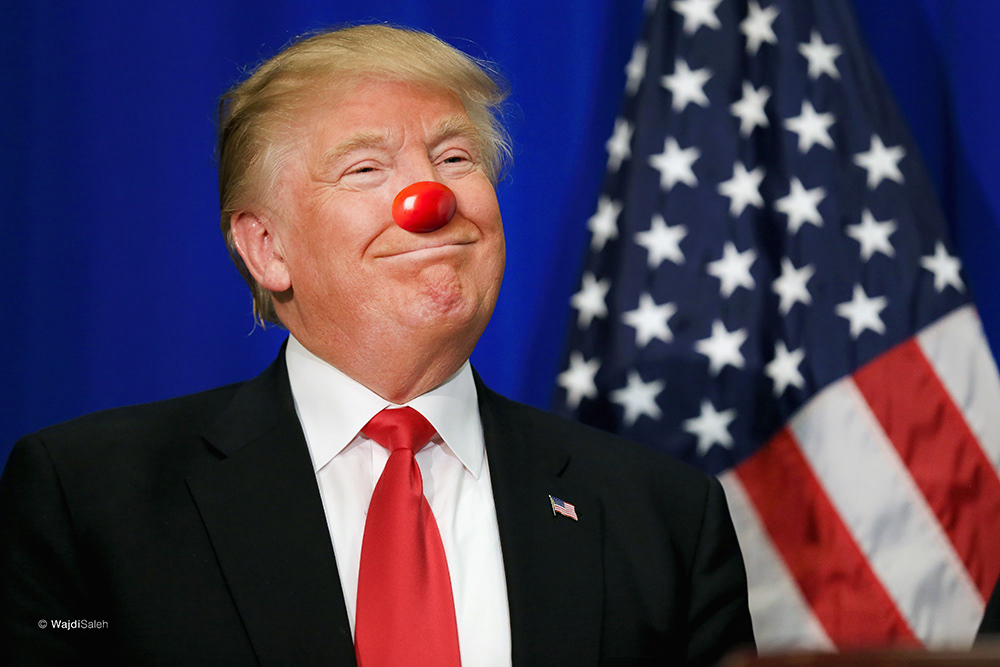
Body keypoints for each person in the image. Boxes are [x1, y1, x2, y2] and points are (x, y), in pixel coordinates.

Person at [0, 24, 754, 665]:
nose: (432, 200)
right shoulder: (90, 500)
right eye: (365, 169)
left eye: (455, 158)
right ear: (267, 249)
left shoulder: (664, 517)